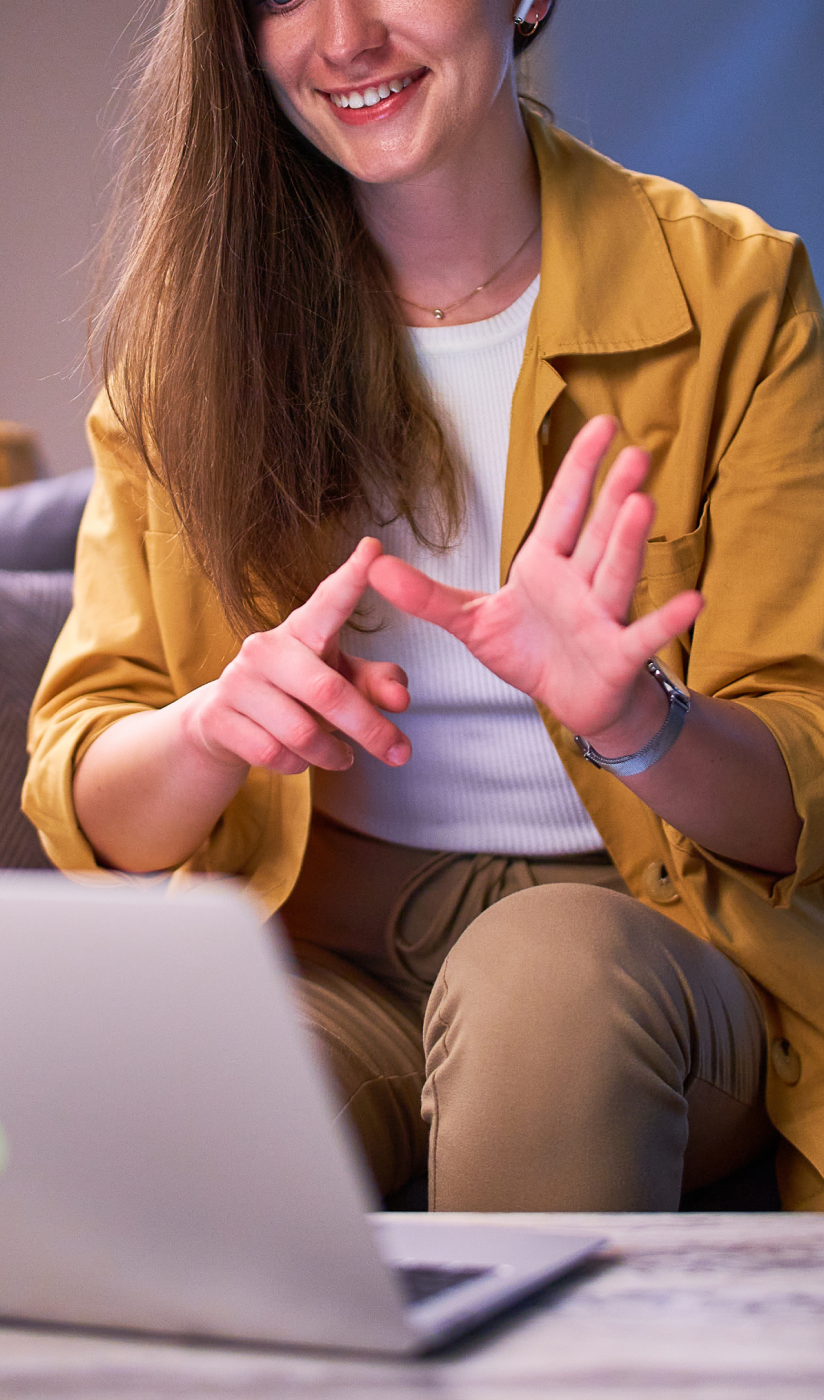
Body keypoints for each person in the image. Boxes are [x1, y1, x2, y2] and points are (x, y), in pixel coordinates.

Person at [24, 0, 824, 1212]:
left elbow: (798, 797)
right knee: (159, 1101)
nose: (341, 36)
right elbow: (89, 800)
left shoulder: (739, 294)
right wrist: (208, 729)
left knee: (544, 974)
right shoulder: (184, 334)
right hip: (324, 954)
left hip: (650, 948)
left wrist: (635, 720)